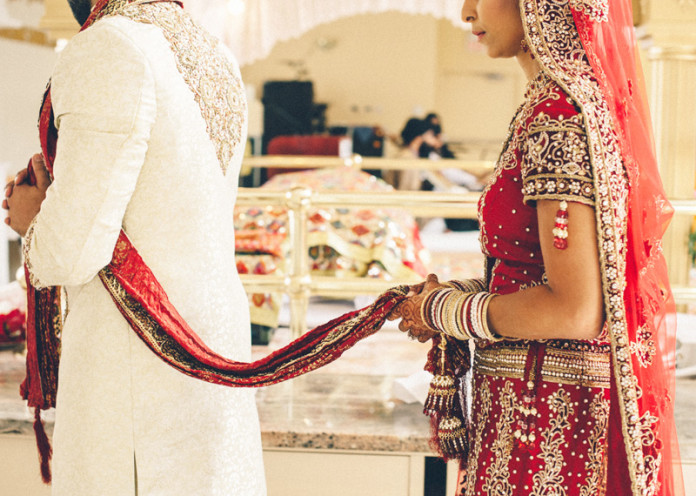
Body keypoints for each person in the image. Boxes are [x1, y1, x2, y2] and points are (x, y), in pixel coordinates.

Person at [389, 0, 684, 494]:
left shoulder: (558, 116)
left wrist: (445, 310)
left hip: (546, 415)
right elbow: (537, 275)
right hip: (531, 398)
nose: (466, 12)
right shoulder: (562, 104)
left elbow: (575, 309)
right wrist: (453, 295)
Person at [3, 0, 266, 494]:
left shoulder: (109, 44)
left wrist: (31, 219)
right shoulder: (211, 49)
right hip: (209, 339)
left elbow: (72, 250)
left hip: (133, 355)